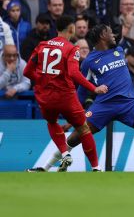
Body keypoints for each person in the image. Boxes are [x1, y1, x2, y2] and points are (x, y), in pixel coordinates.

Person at [27, 24, 134, 172]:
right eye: (110, 33)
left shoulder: (119, 50)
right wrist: (72, 118)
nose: (113, 36)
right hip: (104, 105)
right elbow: (82, 90)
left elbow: (120, 77)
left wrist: (132, 92)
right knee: (75, 137)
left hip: (127, 103)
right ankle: (45, 167)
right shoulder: (89, 62)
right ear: (102, 36)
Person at [23, 16, 108, 172]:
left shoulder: (42, 46)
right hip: (65, 96)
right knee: (83, 129)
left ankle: (64, 153)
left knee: (52, 122)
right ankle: (96, 167)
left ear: (56, 29)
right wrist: (93, 88)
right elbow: (74, 73)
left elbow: (27, 71)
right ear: (71, 29)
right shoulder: (72, 48)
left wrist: (43, 81)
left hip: (45, 96)